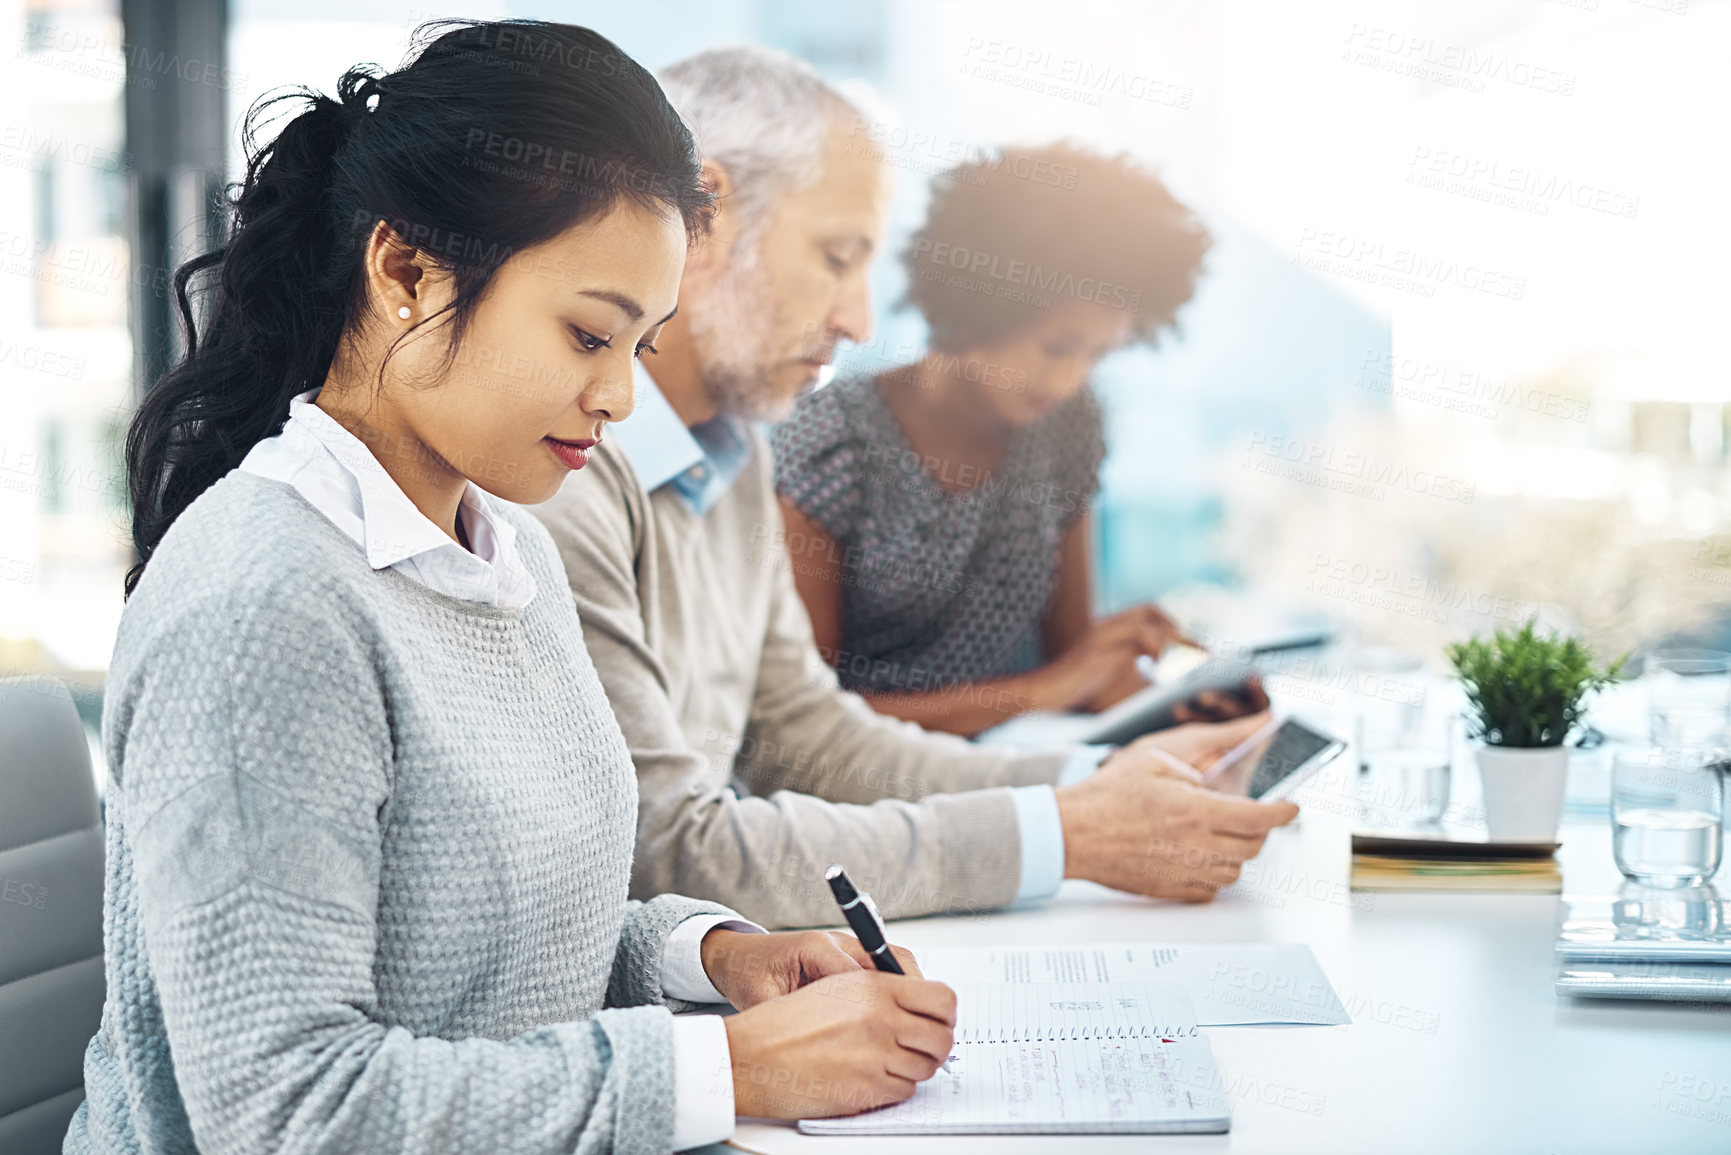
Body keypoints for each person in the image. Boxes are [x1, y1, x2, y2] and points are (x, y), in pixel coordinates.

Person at [67, 23, 959, 1155]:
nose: (619, 399)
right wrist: (725, 1071)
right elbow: (287, 1109)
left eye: (638, 348)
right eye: (588, 333)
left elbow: (496, 949)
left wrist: (717, 955)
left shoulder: (507, 547)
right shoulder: (264, 606)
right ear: (405, 271)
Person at [530, 47, 1297, 931]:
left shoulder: (734, 452)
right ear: (704, 217)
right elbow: (659, 844)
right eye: (834, 255)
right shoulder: (562, 477)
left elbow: (811, 738)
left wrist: (1101, 782)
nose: (859, 320)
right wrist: (1062, 832)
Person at [771, 143, 1246, 738]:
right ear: (977, 307)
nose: (1070, 380)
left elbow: (1070, 663)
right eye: (1056, 347)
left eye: (1097, 354)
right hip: (872, 806)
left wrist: (1167, 695)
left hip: (1030, 772)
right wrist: (1041, 693)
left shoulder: (1067, 425)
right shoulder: (830, 437)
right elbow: (800, 725)